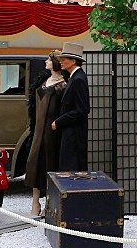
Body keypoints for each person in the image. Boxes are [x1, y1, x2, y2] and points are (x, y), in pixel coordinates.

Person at [25, 52, 66, 217]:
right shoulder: (43, 80)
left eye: (49, 59)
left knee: (50, 163)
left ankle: (50, 203)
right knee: (35, 162)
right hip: (38, 128)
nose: (46, 61)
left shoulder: (63, 85)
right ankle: (35, 202)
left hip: (52, 130)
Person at [52, 42, 89, 171]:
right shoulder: (74, 77)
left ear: (73, 61)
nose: (61, 62)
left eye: (64, 59)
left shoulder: (78, 79)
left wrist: (60, 121)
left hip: (74, 131)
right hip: (70, 129)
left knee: (71, 166)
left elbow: (83, 109)